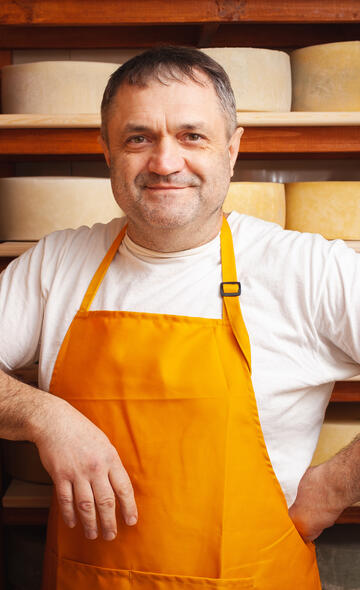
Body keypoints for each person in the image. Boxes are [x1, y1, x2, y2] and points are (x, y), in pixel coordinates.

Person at [0, 46, 359, 589]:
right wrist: (45, 418)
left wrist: (336, 486)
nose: (165, 162)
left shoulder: (307, 268)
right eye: (138, 137)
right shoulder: (57, 263)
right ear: (106, 150)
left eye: (193, 135)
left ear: (233, 149)